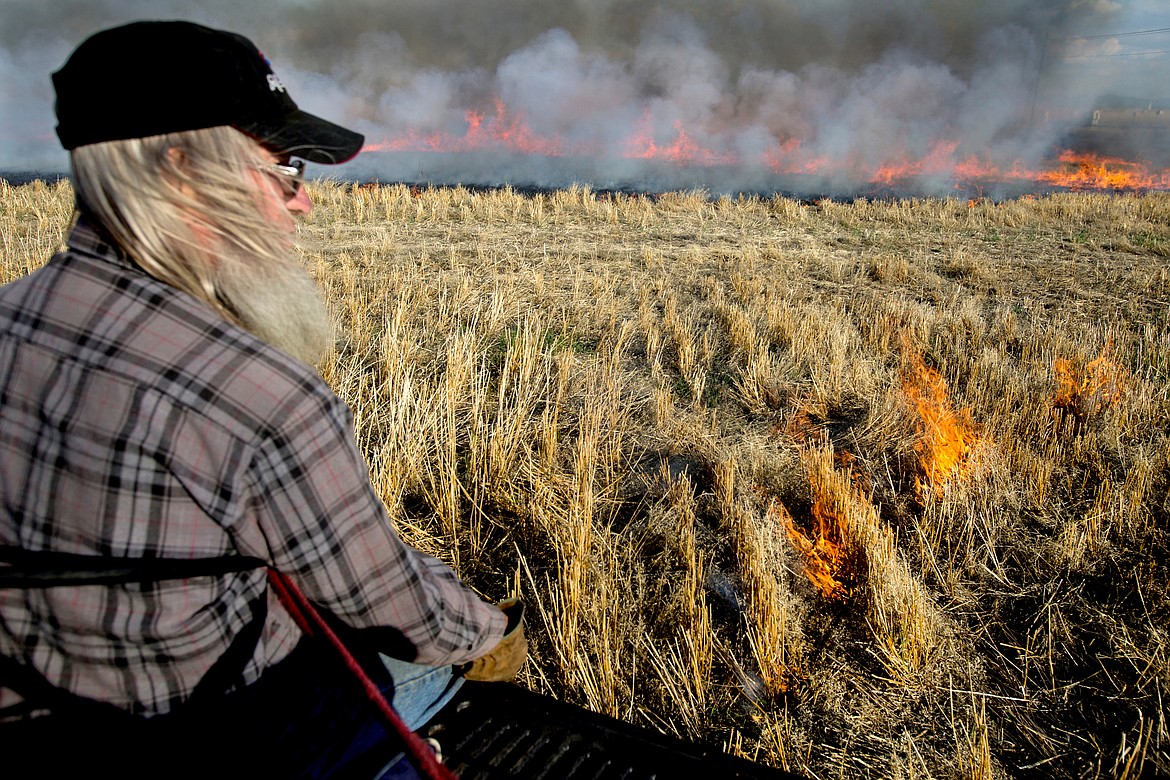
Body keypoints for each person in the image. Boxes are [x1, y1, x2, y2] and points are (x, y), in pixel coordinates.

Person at [0, 20, 525, 778]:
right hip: (207, 734)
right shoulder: (260, 398)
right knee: (430, 668)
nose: (300, 205)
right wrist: (485, 633)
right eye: (285, 171)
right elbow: (391, 605)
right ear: (182, 172)